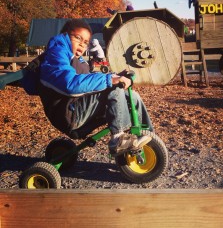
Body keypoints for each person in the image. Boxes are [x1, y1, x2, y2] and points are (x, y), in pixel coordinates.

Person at [39, 19, 152, 155]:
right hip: (70, 115)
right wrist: (111, 79)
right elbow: (70, 84)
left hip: (78, 106)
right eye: (78, 38)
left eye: (86, 42)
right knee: (112, 87)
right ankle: (118, 139)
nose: (82, 44)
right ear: (65, 35)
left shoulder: (76, 58)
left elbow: (88, 79)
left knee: (131, 96)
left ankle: (147, 136)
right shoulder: (56, 54)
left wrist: (116, 75)